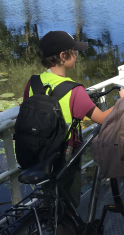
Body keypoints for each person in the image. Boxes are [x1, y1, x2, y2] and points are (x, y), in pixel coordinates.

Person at [23, 31, 115, 208]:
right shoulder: (74, 90)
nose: (77, 56)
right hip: (64, 153)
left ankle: (48, 230)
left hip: (39, 150)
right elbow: (103, 118)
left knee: (50, 199)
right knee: (67, 203)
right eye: (75, 52)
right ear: (63, 56)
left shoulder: (33, 82)